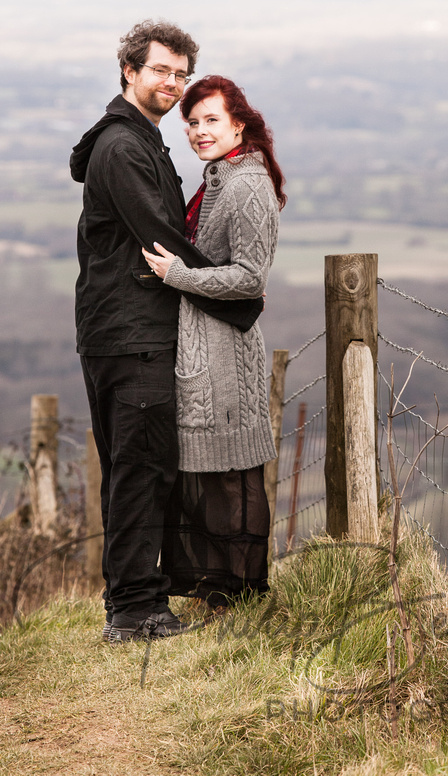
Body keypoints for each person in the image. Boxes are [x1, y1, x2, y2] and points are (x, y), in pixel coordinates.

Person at [70, 22, 263, 643]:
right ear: (129, 70)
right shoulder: (125, 148)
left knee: (137, 467)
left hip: (127, 333)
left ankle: (136, 599)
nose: (172, 84)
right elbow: (162, 236)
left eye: (180, 75)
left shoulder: (139, 140)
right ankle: (135, 611)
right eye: (161, 71)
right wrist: (238, 297)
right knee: (141, 470)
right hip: (134, 335)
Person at [142, 75, 286, 611]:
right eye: (193, 121)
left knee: (230, 477)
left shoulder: (247, 185)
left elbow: (249, 277)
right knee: (207, 473)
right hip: (203, 349)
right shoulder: (219, 177)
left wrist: (179, 276)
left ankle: (241, 598)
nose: (200, 132)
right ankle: (215, 594)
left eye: (212, 121)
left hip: (227, 356)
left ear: (238, 125)